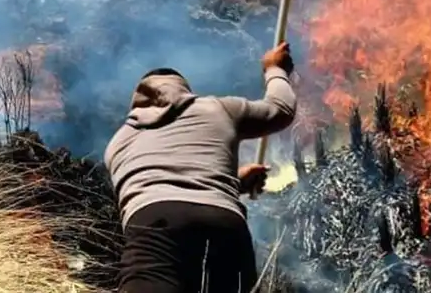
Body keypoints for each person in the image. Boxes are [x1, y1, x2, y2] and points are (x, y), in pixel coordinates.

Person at [104, 42, 297, 293]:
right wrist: (275, 69)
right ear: (185, 90)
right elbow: (280, 110)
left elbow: (161, 185)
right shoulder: (216, 108)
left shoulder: (118, 144)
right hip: (223, 222)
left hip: (153, 228)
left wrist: (232, 182)